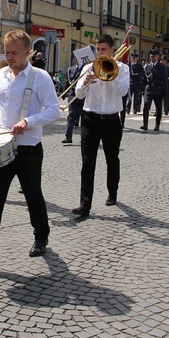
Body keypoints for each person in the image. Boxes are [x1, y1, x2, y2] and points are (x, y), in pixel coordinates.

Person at [0, 30, 60, 272]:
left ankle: (41, 235)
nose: (10, 56)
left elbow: (54, 110)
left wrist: (29, 121)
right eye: (7, 52)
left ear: (28, 52)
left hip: (28, 149)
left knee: (32, 195)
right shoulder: (1, 75)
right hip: (0, 148)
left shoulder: (40, 77)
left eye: (15, 52)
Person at [71, 35, 130, 217]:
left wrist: (109, 76)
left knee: (112, 159)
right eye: (98, 49)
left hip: (112, 119)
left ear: (112, 49)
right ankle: (85, 204)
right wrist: (85, 82)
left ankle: (112, 192)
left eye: (103, 49)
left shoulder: (122, 68)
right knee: (88, 162)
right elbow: (78, 95)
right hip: (90, 119)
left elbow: (123, 91)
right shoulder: (89, 67)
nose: (100, 52)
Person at [140, 49, 168, 131]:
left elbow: (165, 80)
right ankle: (145, 124)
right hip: (148, 89)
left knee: (158, 108)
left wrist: (165, 91)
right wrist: (142, 89)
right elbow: (144, 79)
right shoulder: (147, 66)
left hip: (158, 89)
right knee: (146, 106)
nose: (153, 58)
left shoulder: (162, 67)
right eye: (151, 56)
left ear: (158, 57)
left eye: (154, 56)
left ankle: (157, 124)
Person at [62, 59, 85, 144]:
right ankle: (68, 137)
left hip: (84, 96)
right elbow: (68, 82)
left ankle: (84, 137)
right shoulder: (70, 69)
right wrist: (64, 93)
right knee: (71, 116)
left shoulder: (87, 68)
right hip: (73, 96)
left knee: (84, 118)